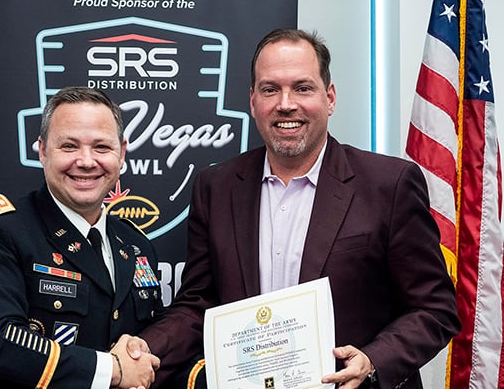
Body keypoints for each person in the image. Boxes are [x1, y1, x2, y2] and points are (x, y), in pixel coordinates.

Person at [139, 29, 461, 389]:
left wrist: (373, 361)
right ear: (252, 101)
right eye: (270, 89)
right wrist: (144, 349)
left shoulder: (389, 184)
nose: (286, 104)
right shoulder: (215, 187)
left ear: (330, 98)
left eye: (303, 88)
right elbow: (198, 305)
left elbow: (435, 308)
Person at [0, 86, 163, 388]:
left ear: (122, 153)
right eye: (69, 146)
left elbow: (145, 348)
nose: (86, 161)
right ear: (43, 150)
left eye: (102, 147)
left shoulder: (136, 244)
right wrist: (112, 370)